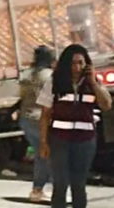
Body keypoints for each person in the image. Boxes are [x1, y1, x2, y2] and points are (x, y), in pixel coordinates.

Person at [37, 44, 112, 208]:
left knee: (79, 185)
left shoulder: (92, 84)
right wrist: (43, 142)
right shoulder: (55, 82)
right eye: (73, 63)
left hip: (84, 141)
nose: (77, 67)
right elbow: (45, 115)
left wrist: (93, 82)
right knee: (61, 183)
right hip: (59, 140)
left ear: (87, 64)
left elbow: (106, 104)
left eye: (80, 63)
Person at [16, 46, 54, 202]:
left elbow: (20, 96)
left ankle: (37, 190)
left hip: (26, 119)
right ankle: (56, 189)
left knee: (41, 154)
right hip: (42, 120)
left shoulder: (26, 75)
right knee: (54, 154)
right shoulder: (50, 76)